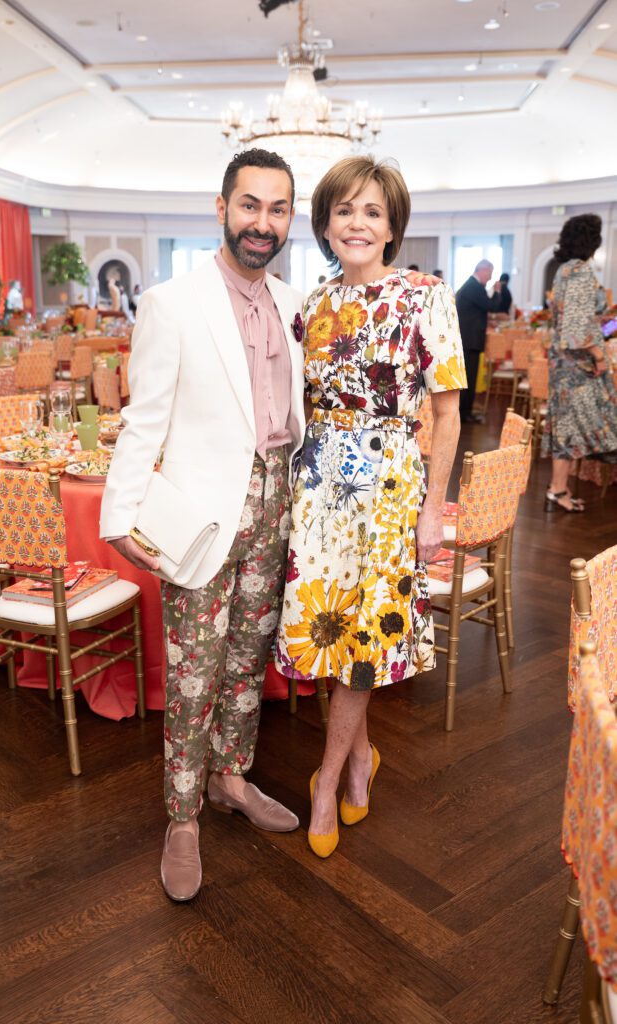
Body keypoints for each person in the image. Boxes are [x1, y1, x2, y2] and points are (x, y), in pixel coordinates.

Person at [100, 149, 306, 901]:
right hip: (200, 513)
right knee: (193, 672)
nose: (262, 222)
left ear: (290, 218)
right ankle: (181, 817)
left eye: (277, 208)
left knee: (249, 661)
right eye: (249, 205)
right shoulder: (171, 302)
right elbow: (143, 417)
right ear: (221, 208)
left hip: (276, 501)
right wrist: (119, 512)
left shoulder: (293, 304)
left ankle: (230, 778)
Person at [274, 155, 466, 859]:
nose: (357, 223)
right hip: (318, 488)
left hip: (389, 489)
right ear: (324, 224)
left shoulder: (424, 295)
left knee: (365, 638)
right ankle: (358, 759)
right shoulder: (313, 305)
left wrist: (431, 510)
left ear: (391, 227)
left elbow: (446, 415)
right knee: (328, 633)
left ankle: (325, 779)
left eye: (372, 212)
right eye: (344, 210)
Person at [541, 213, 617, 511]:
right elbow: (576, 332)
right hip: (579, 368)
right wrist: (599, 357)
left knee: (566, 427)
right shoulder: (581, 273)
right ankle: (558, 490)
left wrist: (610, 324)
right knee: (574, 427)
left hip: (565, 366)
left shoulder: (563, 271)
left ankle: (557, 490)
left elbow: (584, 325)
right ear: (592, 241)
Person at [455, 259, 502, 423]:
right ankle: (464, 413)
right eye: (489, 273)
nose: (490, 278)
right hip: (470, 340)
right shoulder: (474, 287)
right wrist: (496, 291)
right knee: (468, 378)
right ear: (482, 270)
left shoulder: (470, 285)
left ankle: (465, 411)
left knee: (468, 377)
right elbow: (491, 306)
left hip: (467, 339)